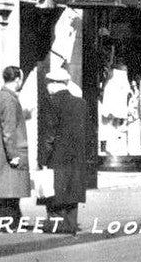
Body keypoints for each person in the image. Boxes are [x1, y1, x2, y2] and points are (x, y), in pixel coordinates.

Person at [39, 69, 87, 233]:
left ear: (53, 84)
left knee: (56, 191)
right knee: (72, 190)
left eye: (48, 83)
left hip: (57, 156)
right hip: (76, 157)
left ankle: (57, 225)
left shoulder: (51, 103)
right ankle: (71, 223)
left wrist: (43, 159)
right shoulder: (81, 103)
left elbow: (49, 135)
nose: (47, 87)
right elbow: (88, 133)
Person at [0, 66, 30, 227]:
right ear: (18, 80)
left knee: (7, 191)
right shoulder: (9, 99)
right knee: (11, 190)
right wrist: (13, 155)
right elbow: (9, 130)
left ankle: (11, 222)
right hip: (9, 152)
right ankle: (10, 224)